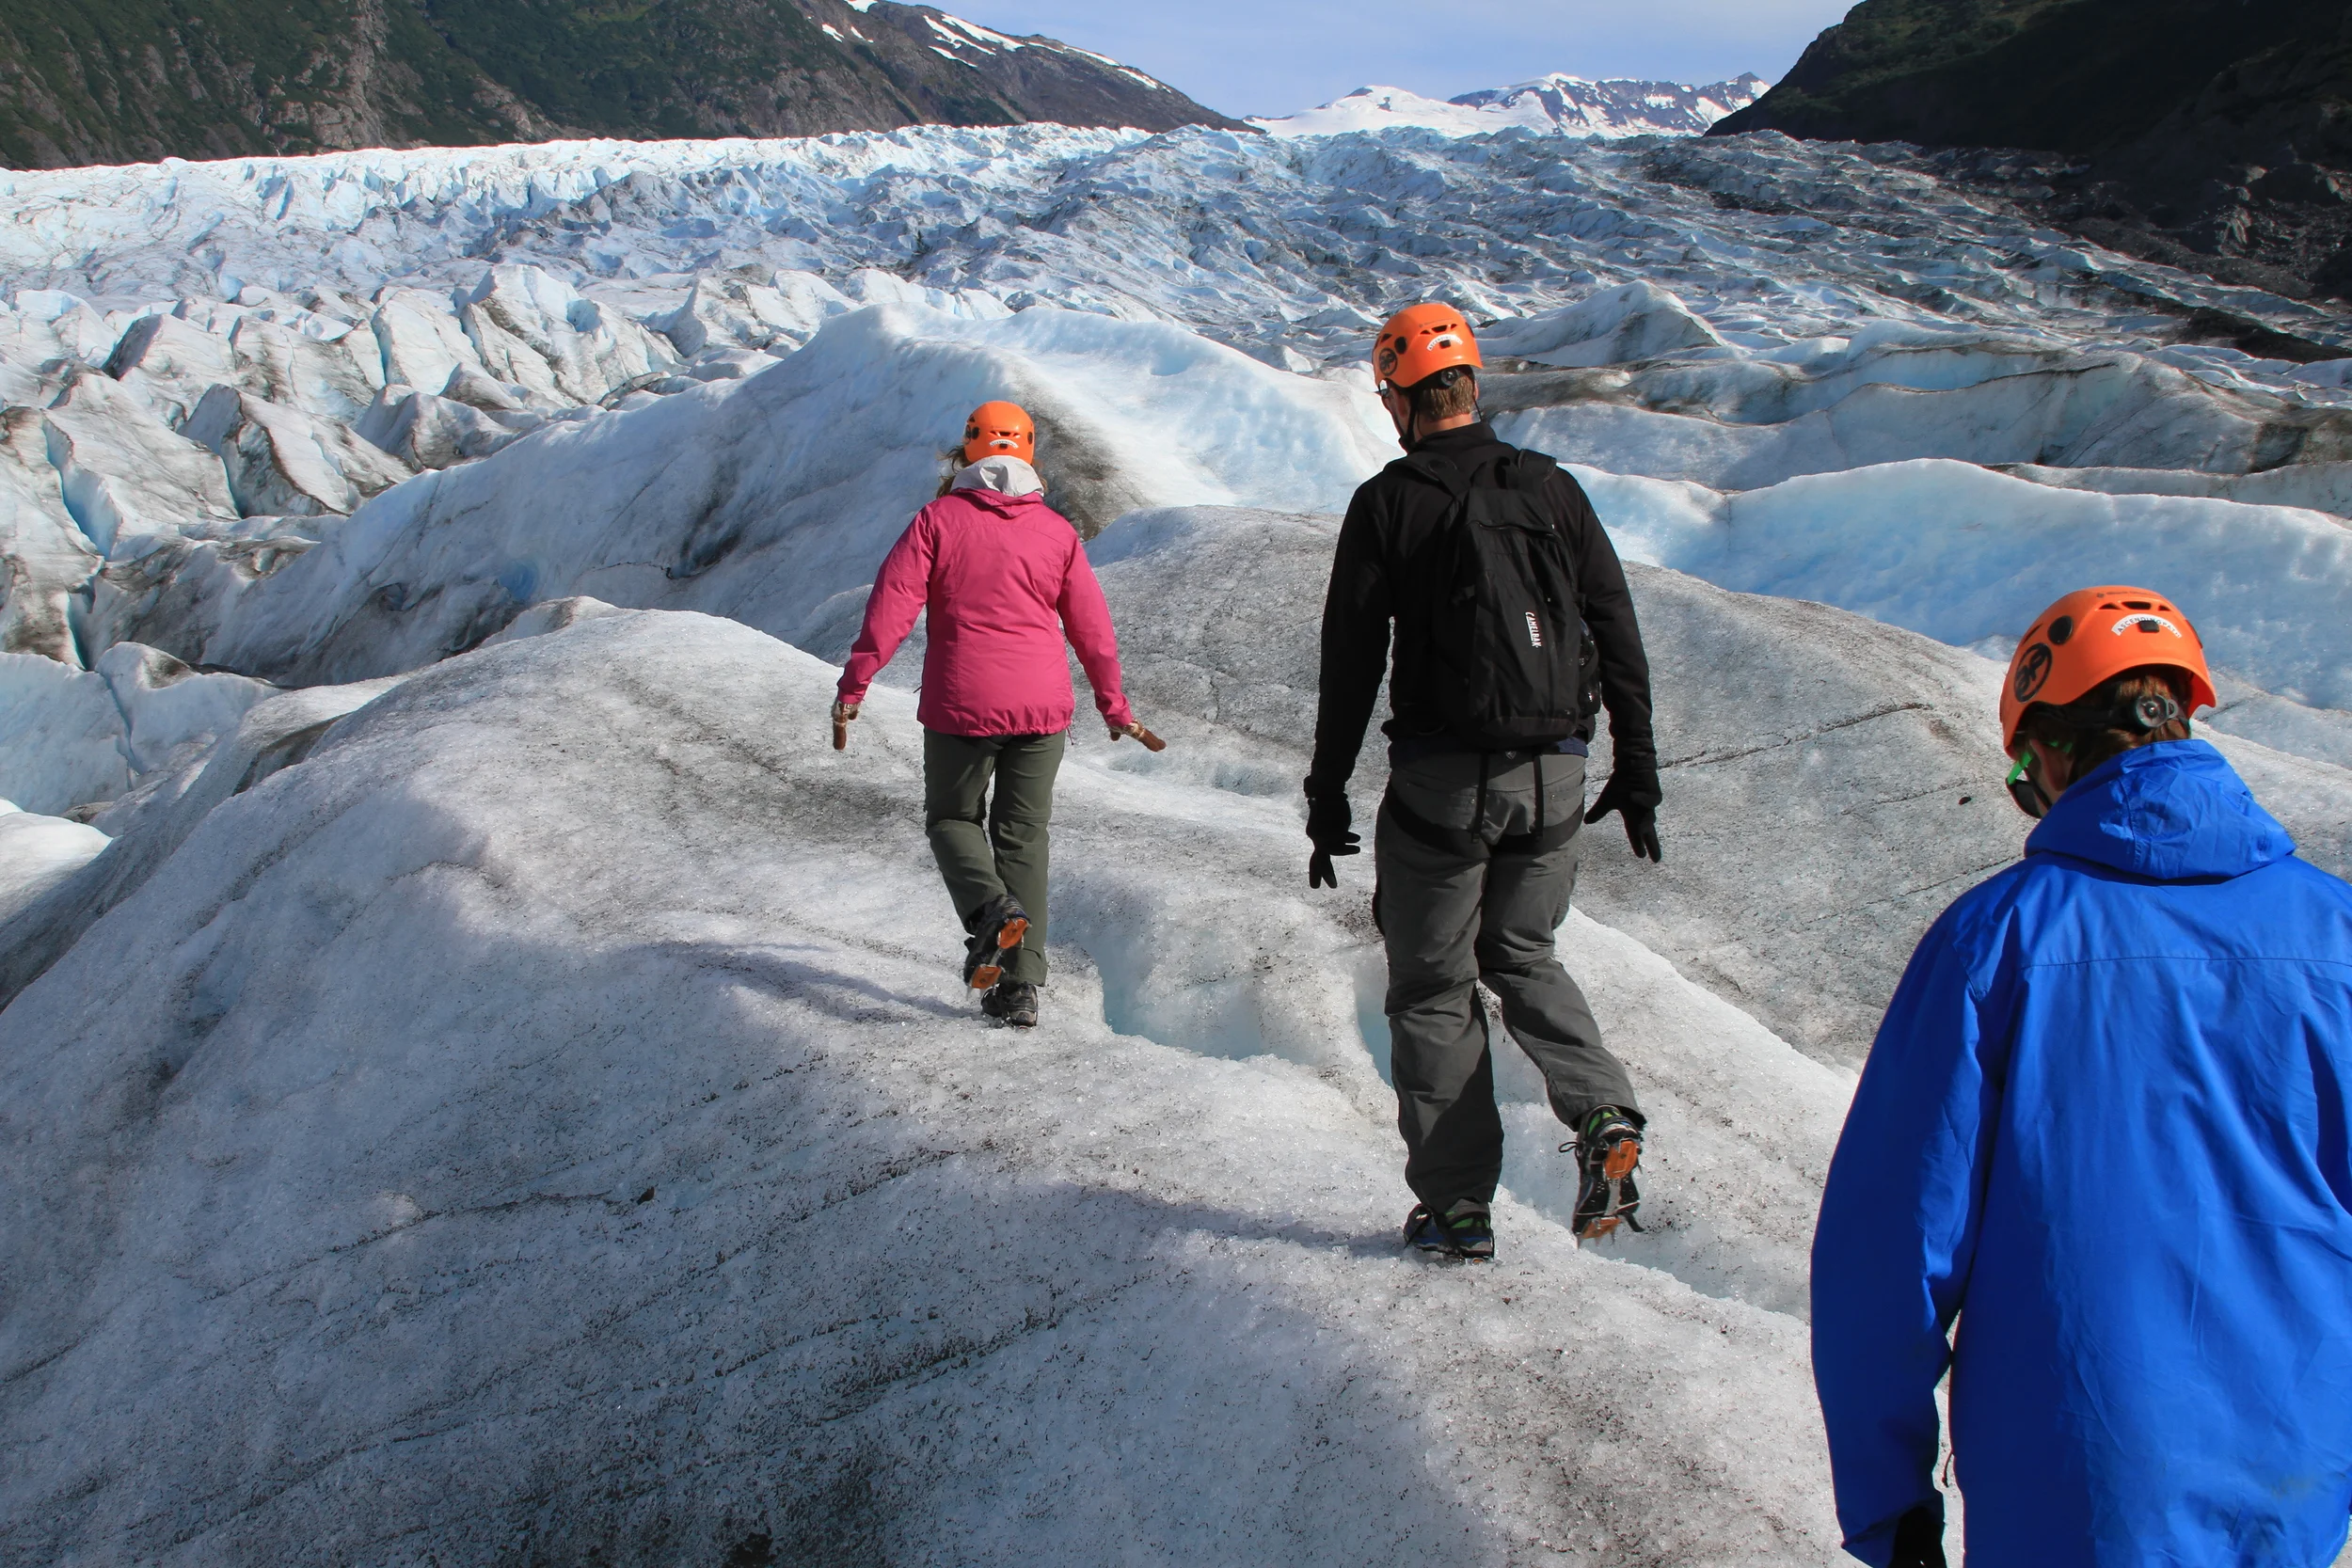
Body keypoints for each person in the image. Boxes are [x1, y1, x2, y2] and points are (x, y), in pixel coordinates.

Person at [1812, 585, 2352, 1567]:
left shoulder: (1995, 938)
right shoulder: (2337, 932)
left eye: (2023, 776)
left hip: (2070, 1484)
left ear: (2050, 750)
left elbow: (1889, 1251)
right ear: (2179, 717)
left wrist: (1891, 1503)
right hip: (2298, 1471)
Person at [1305, 302, 1664, 1260]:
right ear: (1473, 385)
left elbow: (1351, 661)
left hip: (1442, 788)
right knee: (1526, 955)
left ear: (1397, 397)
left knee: (1430, 987)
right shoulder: (1550, 489)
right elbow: (1615, 630)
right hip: (1555, 776)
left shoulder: (1389, 502)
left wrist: (1326, 790)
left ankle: (1459, 1207)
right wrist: (1637, 767)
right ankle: (1600, 1115)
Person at [833, 401, 1158, 1028]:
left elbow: (890, 607)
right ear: (1028, 455)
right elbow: (1092, 629)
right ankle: (1018, 988)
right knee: (1023, 839)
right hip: (1043, 713)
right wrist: (1112, 702)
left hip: (964, 707)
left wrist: (857, 681)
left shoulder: (937, 520)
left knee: (952, 818)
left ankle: (988, 911)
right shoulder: (1056, 532)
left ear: (969, 452)